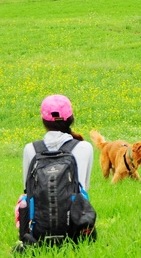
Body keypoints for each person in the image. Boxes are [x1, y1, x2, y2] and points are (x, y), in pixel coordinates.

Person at [17, 94, 95, 247]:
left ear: (44, 121)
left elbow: (28, 189)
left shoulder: (30, 149)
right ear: (71, 118)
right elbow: (83, 189)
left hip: (38, 233)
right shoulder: (84, 147)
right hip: (76, 231)